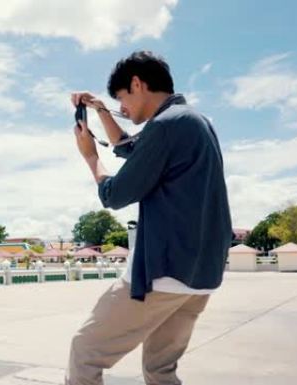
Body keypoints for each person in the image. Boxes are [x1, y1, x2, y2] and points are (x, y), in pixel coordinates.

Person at [65, 51, 232, 385]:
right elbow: (131, 148)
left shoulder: (166, 126)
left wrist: (90, 157)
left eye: (121, 99)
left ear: (137, 84)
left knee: (85, 352)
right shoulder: (191, 120)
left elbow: (114, 194)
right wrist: (99, 110)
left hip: (164, 272)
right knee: (160, 371)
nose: (121, 109)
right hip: (200, 277)